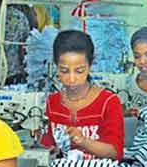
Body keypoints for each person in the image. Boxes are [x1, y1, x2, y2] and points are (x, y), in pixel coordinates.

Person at [40, 30, 124, 160]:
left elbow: (115, 152)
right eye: (64, 71)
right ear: (56, 66)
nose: (72, 78)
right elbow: (49, 144)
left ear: (90, 65)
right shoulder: (53, 102)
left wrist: (84, 141)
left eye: (79, 71)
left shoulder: (108, 102)